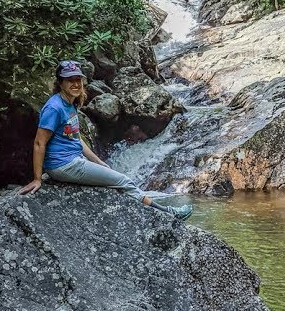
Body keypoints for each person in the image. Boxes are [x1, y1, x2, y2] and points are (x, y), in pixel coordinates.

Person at [18, 60, 193, 220]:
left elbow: (76, 138)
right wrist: (37, 179)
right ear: (60, 82)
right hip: (63, 165)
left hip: (73, 161)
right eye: (70, 80)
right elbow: (39, 143)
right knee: (124, 181)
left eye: (78, 79)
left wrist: (99, 162)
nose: (76, 84)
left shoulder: (69, 104)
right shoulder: (54, 108)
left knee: (114, 179)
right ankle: (168, 214)